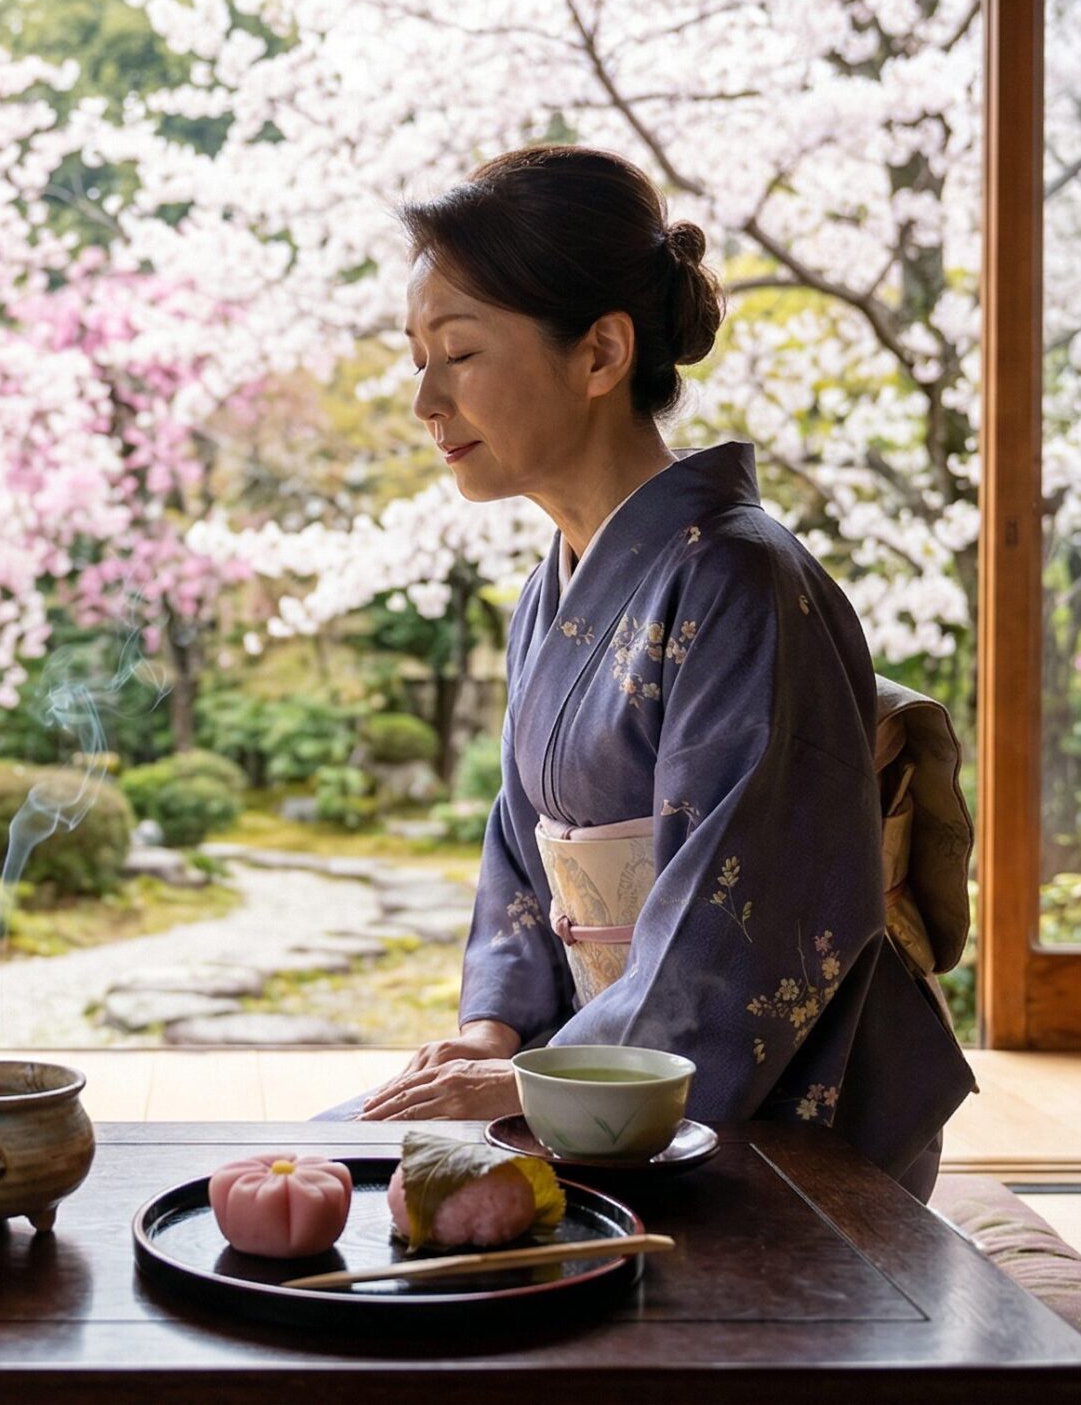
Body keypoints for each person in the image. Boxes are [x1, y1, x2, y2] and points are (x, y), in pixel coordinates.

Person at [313, 145, 974, 1203]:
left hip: (771, 1114)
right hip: (595, 1071)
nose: (424, 398)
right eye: (417, 356)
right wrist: (489, 1033)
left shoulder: (741, 584)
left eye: (460, 352)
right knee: (317, 1165)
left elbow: (733, 933)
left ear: (601, 354)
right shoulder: (557, 585)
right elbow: (520, 847)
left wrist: (524, 1085)